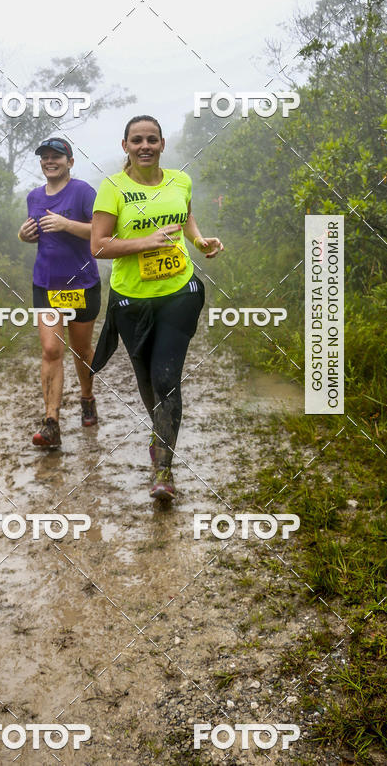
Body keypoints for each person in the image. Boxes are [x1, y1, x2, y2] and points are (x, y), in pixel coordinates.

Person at [90, 115, 223, 501]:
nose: (144, 146)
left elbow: (187, 216)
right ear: (125, 146)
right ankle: (159, 432)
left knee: (167, 379)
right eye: (137, 140)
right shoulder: (112, 187)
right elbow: (98, 245)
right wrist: (144, 243)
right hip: (131, 301)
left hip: (179, 293)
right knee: (147, 381)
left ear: (162, 144)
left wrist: (199, 241)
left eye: (151, 139)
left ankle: (163, 469)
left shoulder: (179, 180)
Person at [18, 137, 101, 448]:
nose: (50, 161)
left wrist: (67, 224)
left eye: (57, 156)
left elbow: (100, 232)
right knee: (51, 350)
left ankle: (87, 397)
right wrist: (23, 235)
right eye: (45, 157)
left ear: (70, 162)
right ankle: (51, 421)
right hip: (46, 283)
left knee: (82, 350)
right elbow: (34, 233)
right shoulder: (34, 197)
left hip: (81, 284)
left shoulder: (83, 192)